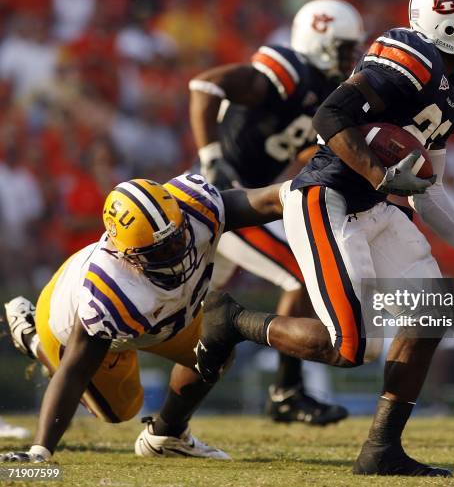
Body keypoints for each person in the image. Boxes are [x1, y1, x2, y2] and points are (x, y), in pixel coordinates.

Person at [194, 0, 454, 476]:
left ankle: (381, 450)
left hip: (373, 207)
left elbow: (429, 187)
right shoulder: (411, 57)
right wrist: (380, 173)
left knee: (432, 310)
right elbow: (331, 116)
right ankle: (234, 322)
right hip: (325, 199)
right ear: (449, 21)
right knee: (351, 348)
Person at [1, 173, 283, 462]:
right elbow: (74, 372)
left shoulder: (192, 206)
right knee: (119, 411)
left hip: (161, 318)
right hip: (68, 322)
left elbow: (260, 203)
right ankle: (32, 337)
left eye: (176, 239)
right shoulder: (108, 293)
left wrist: (295, 193)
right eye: (161, 251)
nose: (177, 254)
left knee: (216, 347)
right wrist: (39, 453)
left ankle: (167, 436)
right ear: (128, 256)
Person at [189, 0, 365, 424]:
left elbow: (302, 144)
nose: (350, 57)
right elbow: (205, 85)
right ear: (319, 39)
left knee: (193, 321)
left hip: (244, 208)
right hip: (221, 200)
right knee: (302, 273)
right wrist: (211, 154)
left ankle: (171, 425)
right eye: (343, 47)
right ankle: (286, 392)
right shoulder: (288, 70)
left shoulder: (325, 91)